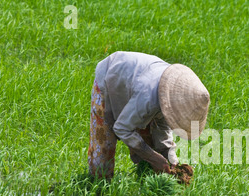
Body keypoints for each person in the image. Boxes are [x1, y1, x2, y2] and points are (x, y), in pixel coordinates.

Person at [87, 51, 210, 179]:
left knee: (150, 144)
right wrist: (153, 158)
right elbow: (121, 129)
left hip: (136, 91)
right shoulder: (147, 97)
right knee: (103, 151)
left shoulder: (171, 97)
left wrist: (171, 158)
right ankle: (98, 190)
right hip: (109, 81)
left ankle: (145, 185)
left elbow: (162, 126)